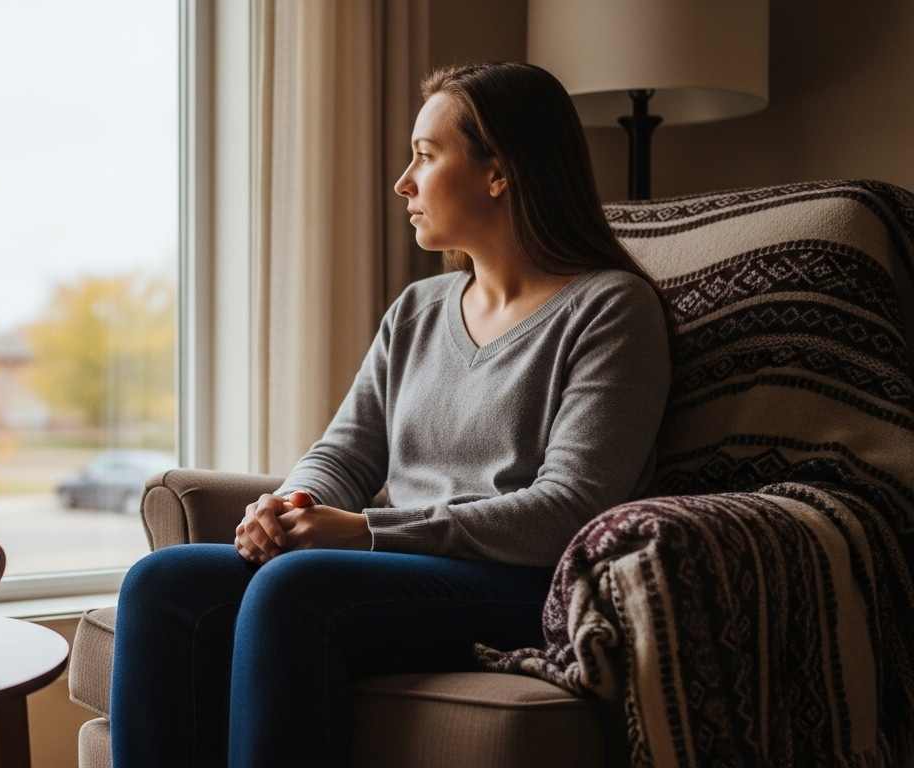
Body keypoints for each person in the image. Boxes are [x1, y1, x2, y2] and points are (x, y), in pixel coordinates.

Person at [109, 61, 672, 768]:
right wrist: (290, 505)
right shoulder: (419, 310)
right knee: (164, 583)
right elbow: (345, 454)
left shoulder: (612, 309)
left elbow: (572, 507)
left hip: (527, 583)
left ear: (499, 171)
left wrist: (367, 532)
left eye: (426, 156)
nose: (404, 182)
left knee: (295, 588)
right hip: (402, 570)